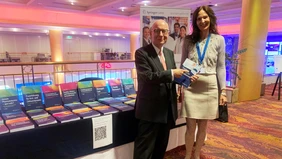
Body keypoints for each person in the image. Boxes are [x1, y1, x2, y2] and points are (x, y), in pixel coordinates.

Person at [133, 19, 188, 159]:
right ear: (151, 33)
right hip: (150, 112)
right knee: (144, 151)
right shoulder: (141, 53)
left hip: (167, 110)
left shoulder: (169, 53)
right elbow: (148, 77)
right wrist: (172, 73)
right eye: (157, 31)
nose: (161, 34)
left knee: (161, 148)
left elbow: (170, 79)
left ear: (168, 34)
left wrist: (185, 78)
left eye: (164, 31)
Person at [180, 6, 227, 159]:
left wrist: (223, 91)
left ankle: (197, 155)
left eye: (205, 17)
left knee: (203, 127)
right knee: (190, 126)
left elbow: (220, 66)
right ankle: (188, 155)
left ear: (211, 18)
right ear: (195, 21)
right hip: (192, 87)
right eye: (199, 18)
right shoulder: (188, 40)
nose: (202, 21)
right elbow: (182, 65)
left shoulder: (219, 40)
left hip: (209, 86)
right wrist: (185, 79)